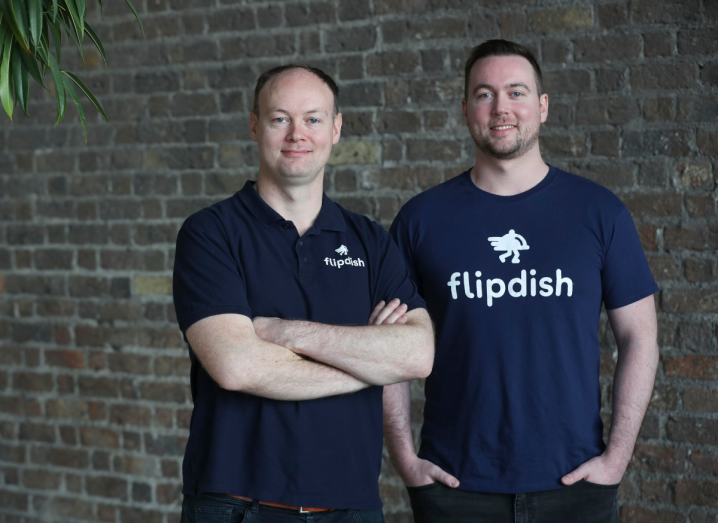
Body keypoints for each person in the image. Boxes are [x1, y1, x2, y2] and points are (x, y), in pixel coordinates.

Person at [385, 39, 659, 523]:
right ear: (466, 107)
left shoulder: (599, 212)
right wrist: (406, 459)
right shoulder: (421, 220)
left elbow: (639, 337)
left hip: (575, 485)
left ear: (542, 106)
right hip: (455, 487)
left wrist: (617, 458)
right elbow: (387, 347)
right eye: (485, 94)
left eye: (516, 92)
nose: (501, 108)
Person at [172, 64, 434, 523]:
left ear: (335, 129)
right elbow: (237, 366)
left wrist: (286, 332)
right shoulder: (211, 234)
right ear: (255, 125)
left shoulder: (370, 242)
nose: (298, 134)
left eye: (313, 119)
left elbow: (417, 353)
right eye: (280, 119)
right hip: (236, 504)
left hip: (350, 507)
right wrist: (370, 366)